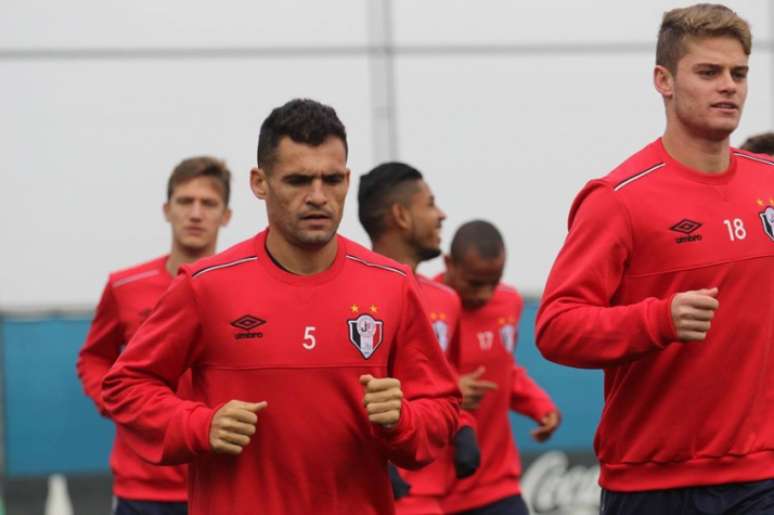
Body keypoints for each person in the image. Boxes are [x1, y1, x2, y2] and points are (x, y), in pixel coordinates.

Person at [101, 98, 461, 515]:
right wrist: (199, 425)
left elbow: (442, 404)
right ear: (260, 182)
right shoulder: (206, 286)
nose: (318, 196)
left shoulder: (392, 285)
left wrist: (404, 421)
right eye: (297, 180)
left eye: (332, 179)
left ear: (347, 179)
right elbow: (125, 386)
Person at [536, 4, 774, 514]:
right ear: (663, 81)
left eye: (739, 73)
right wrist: (656, 319)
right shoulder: (617, 199)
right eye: (708, 72)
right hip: (653, 487)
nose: (728, 86)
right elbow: (555, 328)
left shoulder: (769, 182)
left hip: (762, 477)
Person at [76, 156, 233, 515]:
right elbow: (94, 357)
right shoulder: (124, 286)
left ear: (226, 216)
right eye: (185, 201)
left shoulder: (242, 287)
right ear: (167, 209)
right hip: (143, 487)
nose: (196, 213)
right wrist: (116, 402)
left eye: (208, 203)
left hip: (219, 482)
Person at [358, 162, 481, 515]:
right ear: (400, 215)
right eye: (429, 204)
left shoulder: (447, 300)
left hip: (433, 498)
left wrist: (465, 427)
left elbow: (445, 386)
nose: (441, 215)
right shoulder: (349, 295)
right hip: (370, 495)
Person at [440, 220, 560, 515]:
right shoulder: (426, 305)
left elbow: (505, 369)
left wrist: (540, 405)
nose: (485, 294)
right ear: (449, 263)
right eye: (475, 283)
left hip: (498, 484)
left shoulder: (509, 302)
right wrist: (450, 393)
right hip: (439, 492)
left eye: (493, 282)